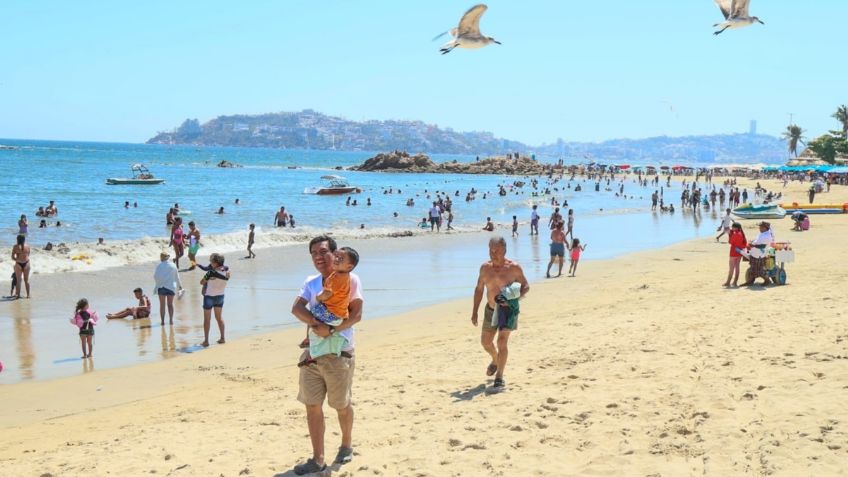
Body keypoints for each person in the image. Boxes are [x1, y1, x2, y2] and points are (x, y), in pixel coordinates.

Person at [290, 236, 363, 475]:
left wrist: (330, 329)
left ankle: (346, 444)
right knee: (312, 406)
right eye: (314, 253)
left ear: (336, 254)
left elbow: (355, 315)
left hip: (338, 354)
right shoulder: (311, 283)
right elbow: (296, 308)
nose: (318, 257)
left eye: (323, 252)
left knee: (341, 405)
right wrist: (314, 323)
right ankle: (318, 459)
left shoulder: (351, 280)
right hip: (311, 354)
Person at [471, 237, 530, 391]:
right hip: (490, 309)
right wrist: (475, 311)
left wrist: (514, 297)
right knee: (485, 342)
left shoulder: (514, 268)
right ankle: (495, 359)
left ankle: (499, 377)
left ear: (504, 249)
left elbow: (526, 286)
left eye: (496, 250)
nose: (493, 253)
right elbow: (478, 290)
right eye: (491, 249)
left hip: (508, 310)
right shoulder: (485, 268)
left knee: (502, 342)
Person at [299, 247, 359, 364]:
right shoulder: (345, 276)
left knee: (313, 316)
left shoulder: (337, 278)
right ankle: (335, 349)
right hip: (340, 315)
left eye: (341, 258)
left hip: (332, 314)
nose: (336, 259)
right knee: (319, 328)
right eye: (336, 256)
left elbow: (327, 293)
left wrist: (318, 297)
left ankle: (311, 350)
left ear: (349, 267)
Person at [200, 253, 230, 347]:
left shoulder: (210, 273)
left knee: (207, 320)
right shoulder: (227, 270)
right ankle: (222, 338)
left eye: (211, 261)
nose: (210, 263)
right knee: (219, 318)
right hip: (220, 296)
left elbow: (201, 282)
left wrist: (209, 277)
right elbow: (226, 274)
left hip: (209, 296)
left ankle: (206, 341)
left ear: (216, 263)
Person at [154, 251, 183, 325]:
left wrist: (158, 285)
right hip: (171, 287)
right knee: (170, 305)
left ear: (162, 258)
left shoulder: (159, 266)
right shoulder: (173, 265)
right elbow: (177, 277)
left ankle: (162, 321)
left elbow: (155, 276)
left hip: (161, 287)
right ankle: (171, 320)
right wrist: (180, 286)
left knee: (162, 305)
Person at [723, 223, 747, 287]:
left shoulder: (735, 234)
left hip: (733, 252)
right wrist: (730, 232)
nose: (732, 228)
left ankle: (728, 282)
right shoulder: (741, 233)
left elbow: (730, 242)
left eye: (733, 227)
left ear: (736, 228)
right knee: (737, 267)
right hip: (739, 252)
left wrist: (729, 234)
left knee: (731, 268)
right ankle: (735, 282)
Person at [11, 234, 31, 299]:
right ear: (24, 239)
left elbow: (12, 257)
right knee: (26, 280)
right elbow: (28, 255)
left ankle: (18, 295)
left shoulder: (15, 246)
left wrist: (17, 259)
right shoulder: (28, 246)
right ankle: (28, 295)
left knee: (18, 280)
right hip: (27, 263)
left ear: (17, 239)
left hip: (18, 264)